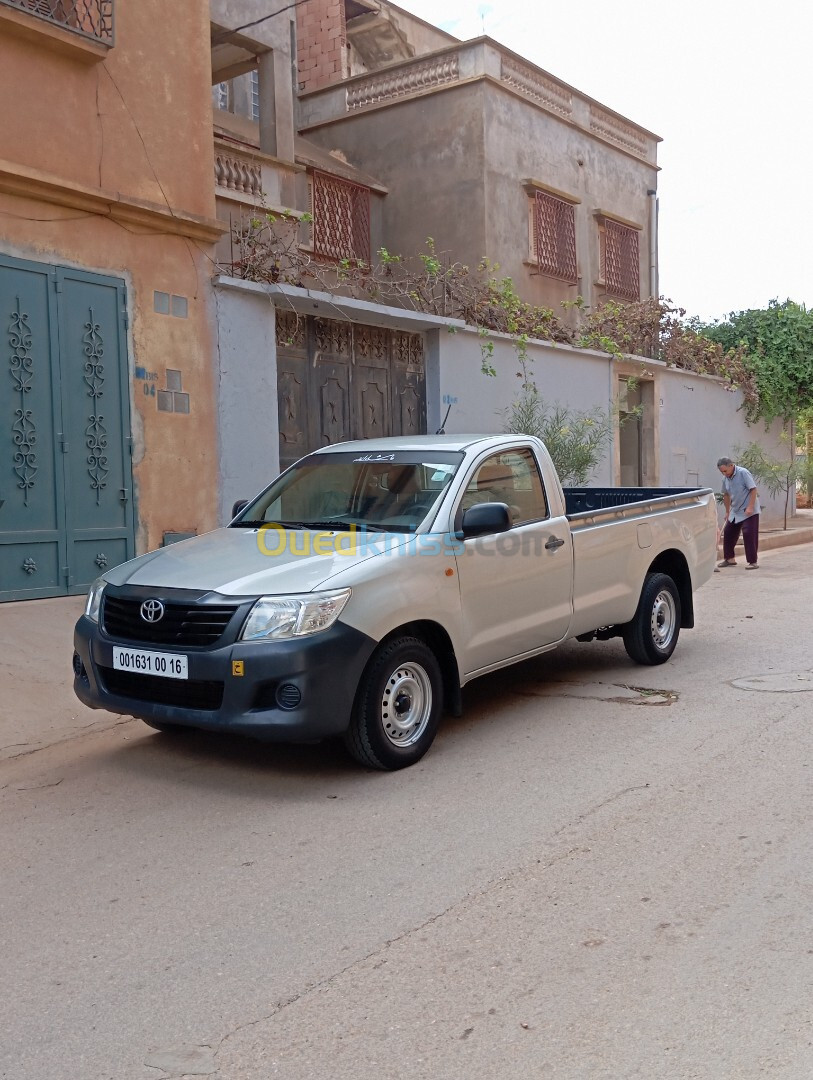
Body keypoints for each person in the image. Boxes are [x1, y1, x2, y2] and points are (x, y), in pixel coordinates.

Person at [716, 456, 761, 569]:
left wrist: (750, 507)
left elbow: (753, 489)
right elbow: (726, 495)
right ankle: (729, 559)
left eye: (725, 471)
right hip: (735, 510)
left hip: (749, 509)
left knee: (748, 533)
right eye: (722, 472)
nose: (724, 474)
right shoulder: (725, 478)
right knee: (729, 532)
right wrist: (727, 512)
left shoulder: (743, 473)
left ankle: (752, 561)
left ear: (731, 465)